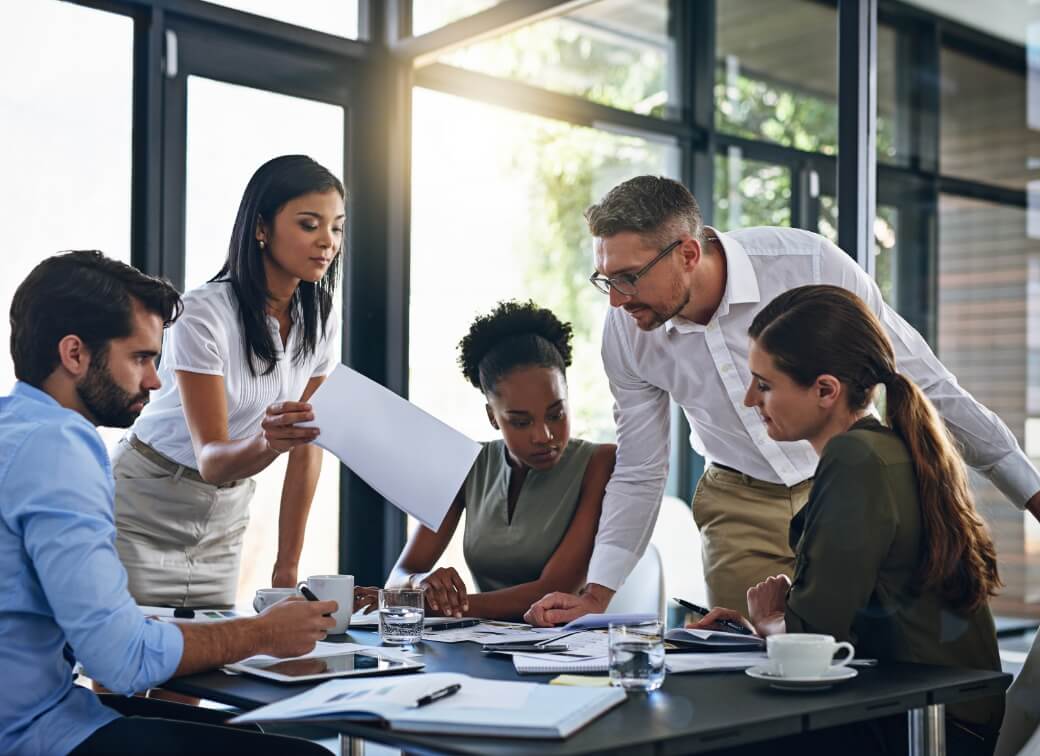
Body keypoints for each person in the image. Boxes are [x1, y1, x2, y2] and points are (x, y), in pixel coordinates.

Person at [525, 175, 1040, 625]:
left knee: (863, 660)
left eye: (628, 277)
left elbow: (927, 383)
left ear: (687, 252)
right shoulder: (626, 330)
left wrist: (1032, 495)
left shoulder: (808, 265)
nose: (615, 299)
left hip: (845, 488)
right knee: (756, 671)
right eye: (605, 279)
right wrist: (597, 593)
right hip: (738, 503)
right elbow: (641, 466)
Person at [1, 251, 338, 756]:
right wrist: (262, 633)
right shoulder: (62, 449)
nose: (156, 381)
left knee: (247, 735)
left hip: (43, 708)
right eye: (140, 358)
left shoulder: (15, 428)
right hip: (37, 734)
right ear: (75, 354)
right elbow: (119, 661)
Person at [692, 284, 1003, 755]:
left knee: (709, 732)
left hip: (918, 725)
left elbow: (816, 640)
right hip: (942, 715)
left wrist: (769, 619)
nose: (750, 400)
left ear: (825, 391)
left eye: (765, 384)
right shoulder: (892, 448)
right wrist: (764, 624)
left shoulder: (855, 458)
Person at [114, 155, 345, 608]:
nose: (327, 242)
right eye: (308, 224)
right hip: (145, 503)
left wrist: (286, 566)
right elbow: (213, 459)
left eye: (336, 227)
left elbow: (307, 445)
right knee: (120, 670)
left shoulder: (320, 317)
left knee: (208, 666)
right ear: (261, 228)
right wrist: (271, 442)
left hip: (224, 517)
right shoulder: (202, 313)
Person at [385, 301, 615, 620]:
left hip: (570, 651)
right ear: (493, 417)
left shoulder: (600, 463)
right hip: (483, 645)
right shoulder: (465, 463)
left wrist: (441, 606)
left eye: (556, 414)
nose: (544, 435)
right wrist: (419, 582)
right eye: (521, 422)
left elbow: (553, 591)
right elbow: (399, 577)